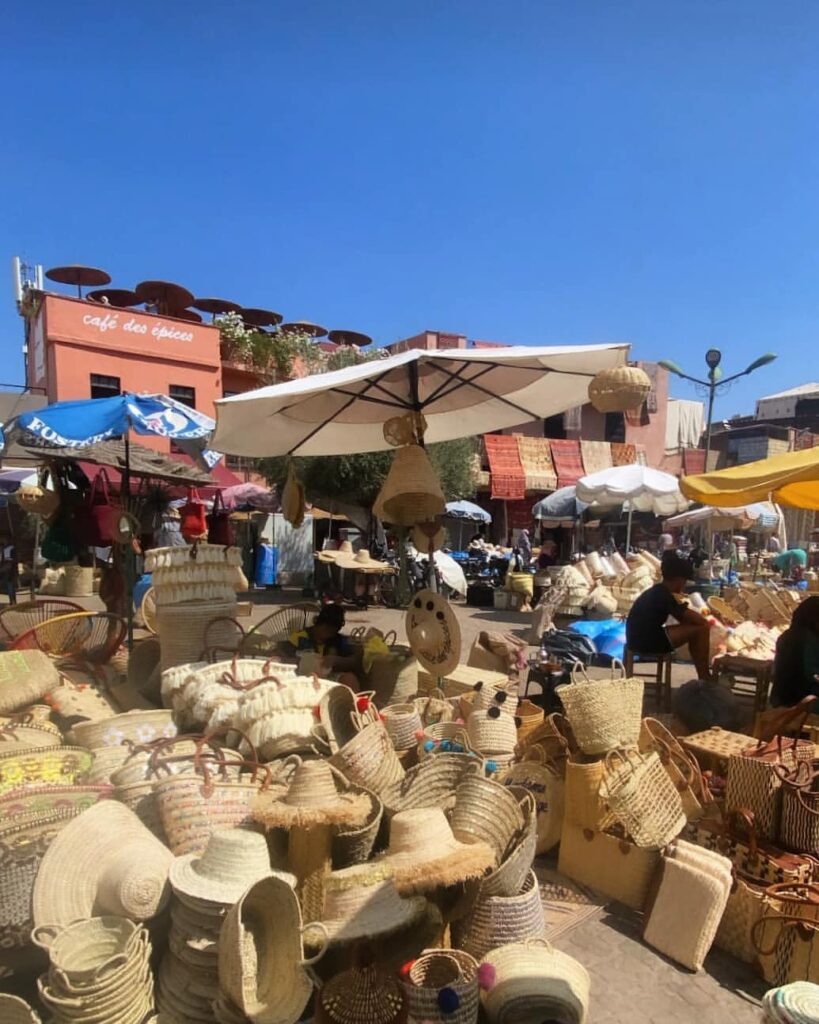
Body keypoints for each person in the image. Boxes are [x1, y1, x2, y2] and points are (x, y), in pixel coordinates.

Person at [626, 552, 711, 679]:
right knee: (701, 629)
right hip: (646, 641)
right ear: (679, 579)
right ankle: (704, 676)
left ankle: (703, 675)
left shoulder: (657, 591)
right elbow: (698, 620)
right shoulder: (663, 595)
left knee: (697, 628)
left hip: (637, 638)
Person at [288, 604, 359, 689]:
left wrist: (336, 660)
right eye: (326, 630)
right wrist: (304, 661)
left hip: (329, 679)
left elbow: (354, 661)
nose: (328, 635)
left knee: (350, 678)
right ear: (318, 624)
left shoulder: (338, 640)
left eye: (332, 632)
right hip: (304, 678)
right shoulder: (299, 637)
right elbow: (283, 658)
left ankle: (353, 701)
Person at [770, 596, 819, 707]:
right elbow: (812, 674)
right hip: (802, 700)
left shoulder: (786, 635)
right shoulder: (810, 640)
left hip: (780, 698)